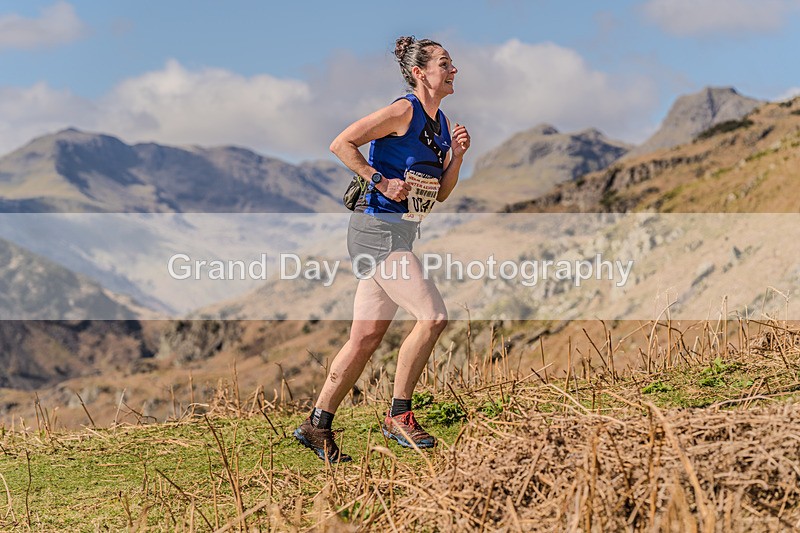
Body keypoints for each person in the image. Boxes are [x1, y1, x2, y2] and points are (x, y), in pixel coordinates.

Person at [293, 36, 470, 463]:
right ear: (419, 73)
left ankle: (317, 425)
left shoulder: (443, 124)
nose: (454, 70)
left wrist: (458, 158)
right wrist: (379, 180)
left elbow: (442, 195)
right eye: (444, 63)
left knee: (365, 337)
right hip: (376, 231)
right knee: (433, 317)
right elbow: (341, 143)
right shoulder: (403, 110)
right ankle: (398, 415)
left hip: (401, 233)